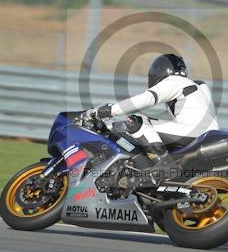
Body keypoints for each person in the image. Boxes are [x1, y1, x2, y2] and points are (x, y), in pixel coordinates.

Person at [84, 54, 219, 187]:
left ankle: (164, 166)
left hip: (196, 133)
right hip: (210, 137)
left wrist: (107, 111)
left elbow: (146, 99)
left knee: (135, 121)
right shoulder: (198, 87)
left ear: (158, 72)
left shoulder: (174, 81)